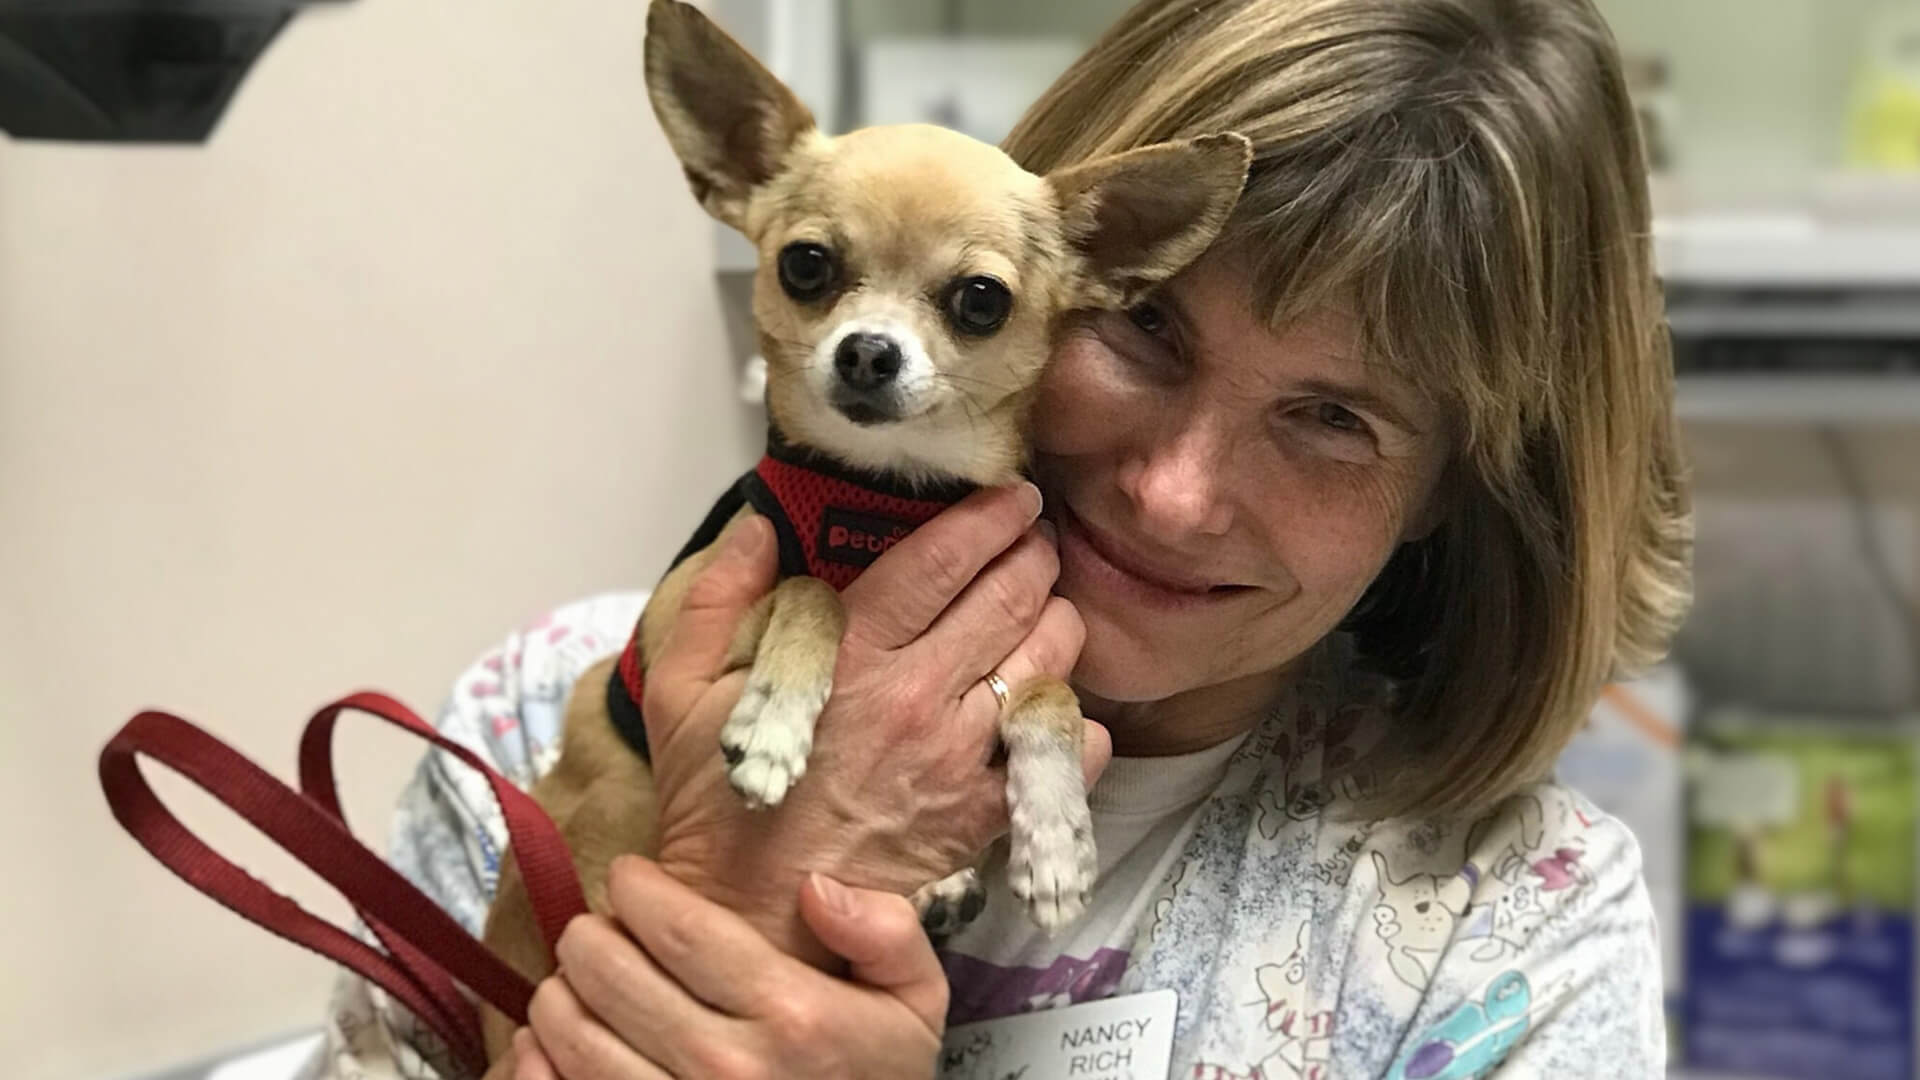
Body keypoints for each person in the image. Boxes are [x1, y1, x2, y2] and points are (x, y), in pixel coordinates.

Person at [299, 0, 1691, 1075]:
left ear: (1460, 484)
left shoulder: (1505, 940)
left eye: (1333, 416)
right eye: (1145, 326)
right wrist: (735, 882)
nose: (1173, 494)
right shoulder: (548, 715)